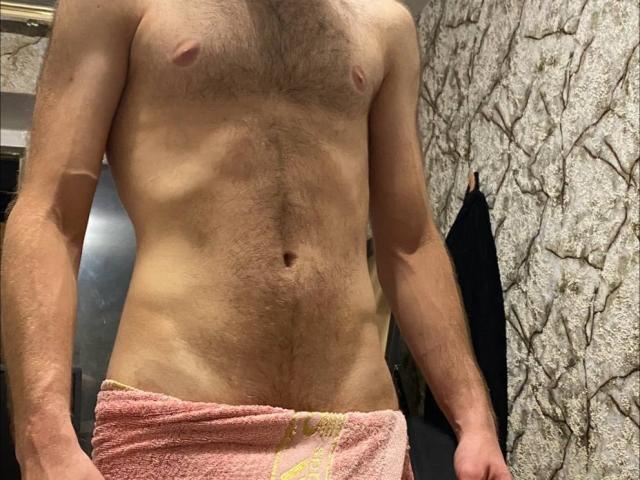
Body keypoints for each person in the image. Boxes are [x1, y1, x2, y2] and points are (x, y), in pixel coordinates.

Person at [0, 0, 512, 478]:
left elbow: (411, 243)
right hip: (176, 429)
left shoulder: (385, 27)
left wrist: (475, 422)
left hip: (359, 438)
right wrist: (42, 437)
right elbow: (50, 214)